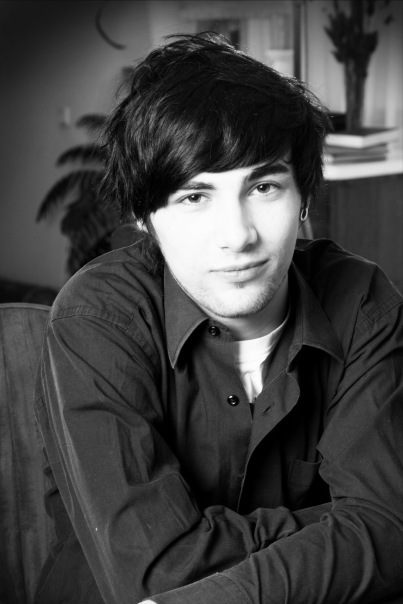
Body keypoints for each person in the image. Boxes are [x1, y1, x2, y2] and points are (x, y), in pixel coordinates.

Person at [34, 32, 403, 604]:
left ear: (304, 198)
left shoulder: (361, 300)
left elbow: (389, 532)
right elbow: (151, 575)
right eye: (193, 196)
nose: (237, 236)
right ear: (143, 217)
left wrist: (375, 529)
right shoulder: (97, 316)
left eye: (264, 186)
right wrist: (341, 531)